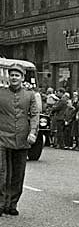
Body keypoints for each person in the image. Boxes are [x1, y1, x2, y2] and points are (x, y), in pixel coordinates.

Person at [0, 63, 40, 216]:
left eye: (17, 75)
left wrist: (33, 133)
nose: (14, 78)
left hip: (22, 139)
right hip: (2, 138)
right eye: (12, 75)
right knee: (2, 173)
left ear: (22, 78)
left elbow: (35, 115)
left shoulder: (29, 95)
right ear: (8, 77)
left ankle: (12, 204)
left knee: (18, 174)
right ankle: (1, 204)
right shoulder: (1, 93)